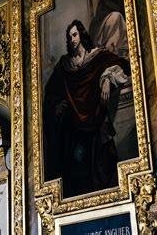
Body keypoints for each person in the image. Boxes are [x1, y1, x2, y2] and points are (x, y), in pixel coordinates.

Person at [43, 19, 130, 197]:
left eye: (74, 35)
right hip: (74, 126)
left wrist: (106, 78)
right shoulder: (65, 64)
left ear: (81, 34)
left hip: (95, 119)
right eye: (69, 37)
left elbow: (122, 65)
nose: (72, 39)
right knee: (77, 163)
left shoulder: (97, 56)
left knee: (101, 163)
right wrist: (58, 104)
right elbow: (51, 92)